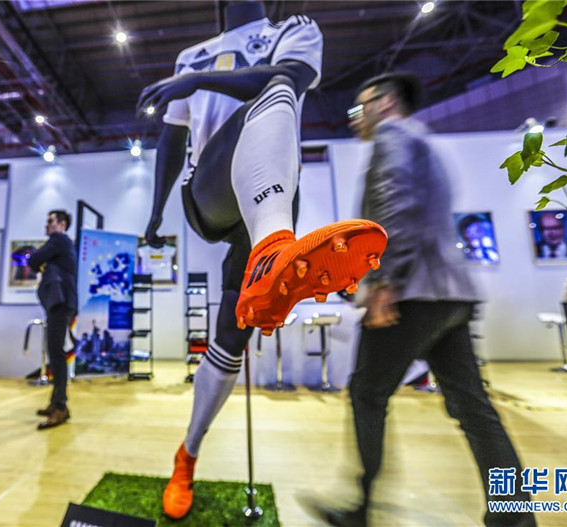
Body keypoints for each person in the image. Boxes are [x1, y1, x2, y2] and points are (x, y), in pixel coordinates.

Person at [136, 1, 387, 520]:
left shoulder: (294, 29)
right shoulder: (192, 55)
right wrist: (155, 213)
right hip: (210, 190)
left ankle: (187, 455)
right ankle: (274, 250)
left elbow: (294, 76)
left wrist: (196, 82)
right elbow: (172, 139)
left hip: (270, 196)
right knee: (272, 85)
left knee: (230, 339)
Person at [314, 73, 536, 527]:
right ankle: (514, 517)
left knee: (367, 393)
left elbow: (395, 206)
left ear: (385, 103)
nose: (354, 119)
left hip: (412, 293)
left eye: (359, 108)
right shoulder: (425, 142)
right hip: (451, 296)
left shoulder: (393, 136)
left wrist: (384, 282)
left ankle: (361, 508)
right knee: (473, 408)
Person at [27, 210, 77, 430]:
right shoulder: (61, 245)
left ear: (62, 224)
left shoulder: (59, 240)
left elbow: (33, 259)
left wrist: (41, 262)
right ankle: (56, 402)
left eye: (51, 221)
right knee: (55, 353)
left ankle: (60, 407)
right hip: (59, 303)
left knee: (56, 354)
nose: (47, 225)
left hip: (60, 303)